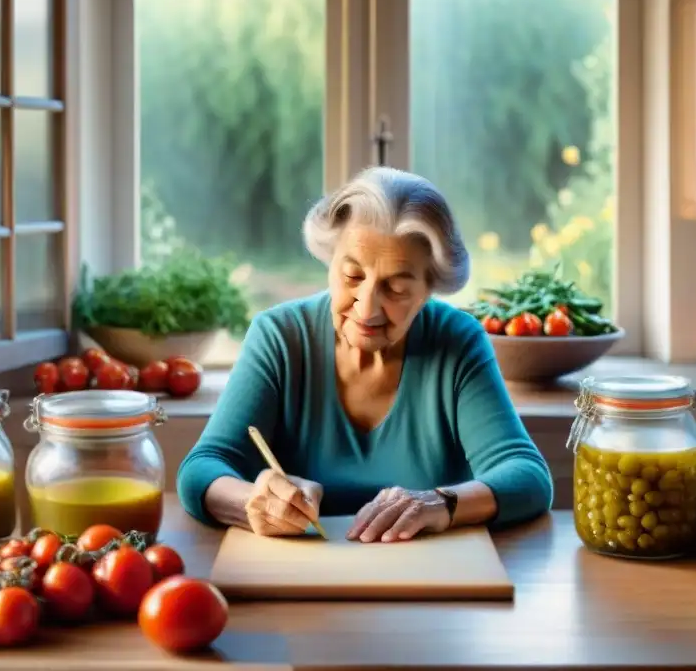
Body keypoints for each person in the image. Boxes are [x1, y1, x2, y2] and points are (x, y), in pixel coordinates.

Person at [177, 167, 553, 543]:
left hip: (422, 583)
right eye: (353, 277)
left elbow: (528, 476)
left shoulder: (457, 342)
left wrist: (441, 503)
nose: (367, 308)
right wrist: (253, 502)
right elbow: (200, 470)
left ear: (429, 290)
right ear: (330, 261)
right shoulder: (279, 337)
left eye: (396, 288)